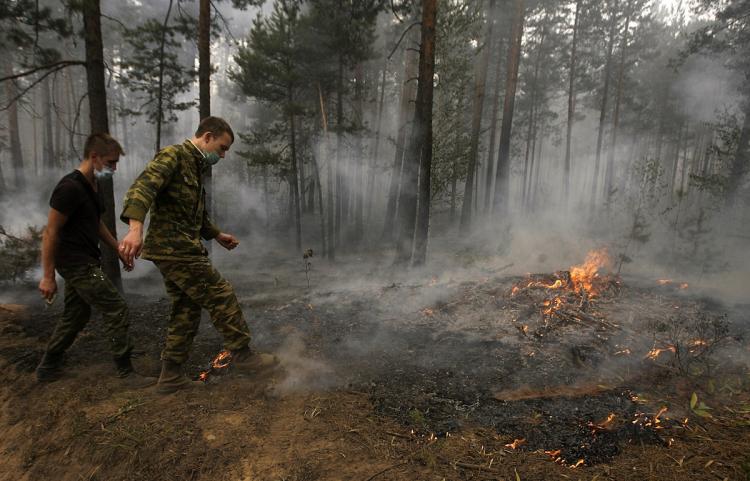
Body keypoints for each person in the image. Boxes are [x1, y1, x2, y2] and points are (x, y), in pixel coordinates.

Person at [119, 116, 275, 394]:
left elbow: (193, 212)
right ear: (207, 136)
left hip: (181, 248)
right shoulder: (174, 155)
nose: (223, 155)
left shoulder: (194, 166)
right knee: (220, 294)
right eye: (222, 148)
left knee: (187, 310)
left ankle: (171, 377)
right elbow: (143, 187)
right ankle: (244, 357)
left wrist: (215, 234)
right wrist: (134, 228)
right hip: (175, 249)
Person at [36, 133, 155, 388]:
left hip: (87, 258)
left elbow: (96, 224)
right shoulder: (69, 188)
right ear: (94, 157)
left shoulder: (93, 186)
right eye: (110, 162)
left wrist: (118, 249)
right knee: (116, 307)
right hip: (75, 262)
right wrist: (47, 276)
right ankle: (126, 373)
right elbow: (50, 232)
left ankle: (47, 367)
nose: (114, 168)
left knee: (76, 316)